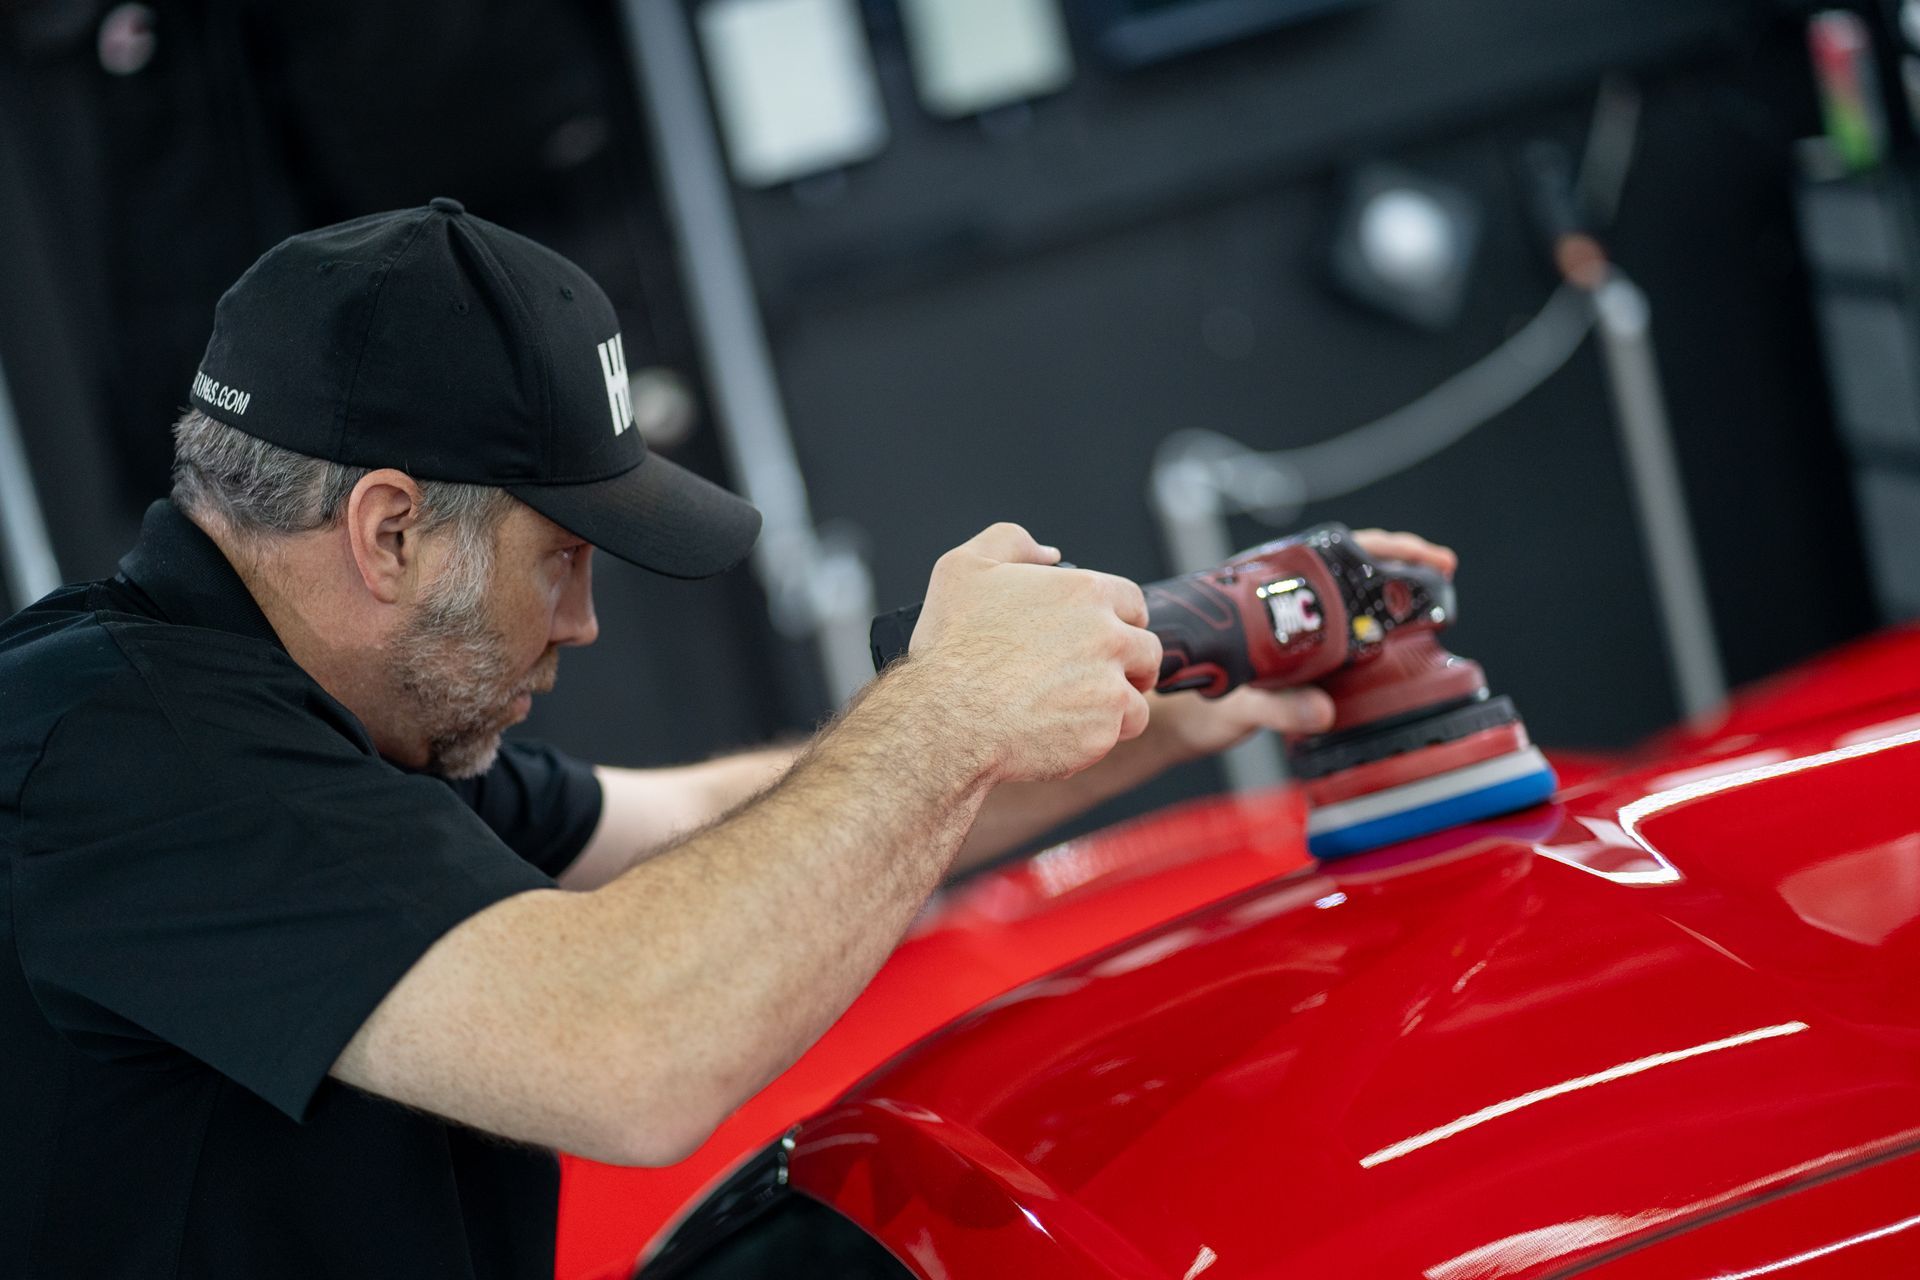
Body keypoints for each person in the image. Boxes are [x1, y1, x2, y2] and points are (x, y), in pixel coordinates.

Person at [0, 201, 1455, 1278]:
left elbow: (698, 828)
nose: (580, 625)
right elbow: (631, 1050)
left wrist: (1165, 678)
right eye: (558, 556)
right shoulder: (111, 754)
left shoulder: (316, 726)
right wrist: (943, 708)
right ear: (387, 532)